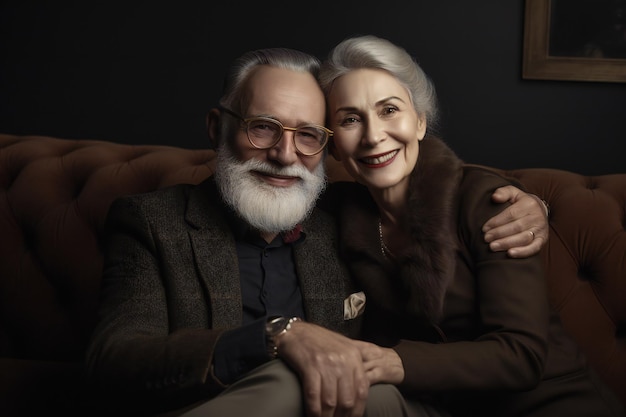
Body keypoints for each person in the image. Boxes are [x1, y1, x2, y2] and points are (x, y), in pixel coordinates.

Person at [84, 46, 548, 417]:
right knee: (295, 374)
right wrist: (277, 335)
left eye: (308, 134)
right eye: (263, 128)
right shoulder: (152, 222)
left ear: (326, 146)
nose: (286, 155)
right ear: (216, 128)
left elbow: (439, 193)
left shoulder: (343, 222)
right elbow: (114, 362)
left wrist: (532, 203)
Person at [317, 34, 625, 417]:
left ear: (420, 123)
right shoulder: (333, 215)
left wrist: (395, 362)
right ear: (332, 145)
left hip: (548, 404)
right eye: (350, 119)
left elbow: (521, 356)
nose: (374, 135)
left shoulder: (488, 201)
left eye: (389, 110)